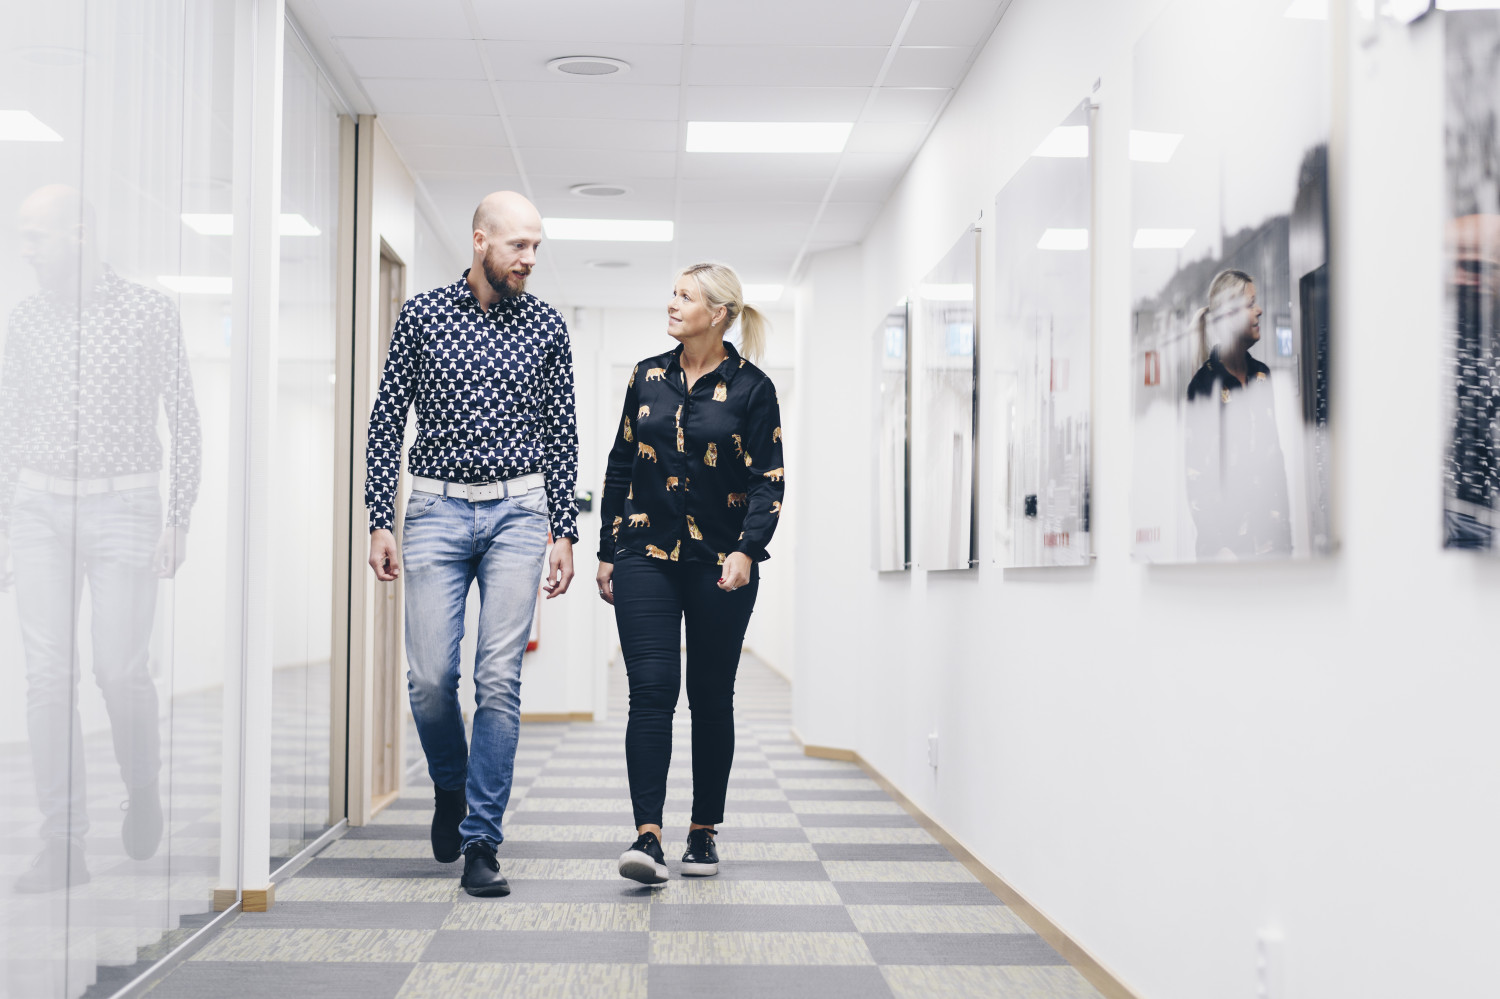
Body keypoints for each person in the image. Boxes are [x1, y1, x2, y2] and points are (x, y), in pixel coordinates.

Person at [365, 191, 579, 898]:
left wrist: (564, 529)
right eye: (519, 245)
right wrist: (379, 517)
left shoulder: (546, 325)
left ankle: (483, 837)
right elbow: (388, 414)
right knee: (429, 679)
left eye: (537, 247)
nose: (530, 259)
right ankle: (451, 788)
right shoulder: (423, 315)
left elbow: (562, 433)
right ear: (481, 240)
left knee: (499, 681)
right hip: (434, 509)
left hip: (519, 512)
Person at [0, 185, 201, 892]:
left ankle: (141, 783)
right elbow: (8, 427)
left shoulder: (149, 311)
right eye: (22, 236)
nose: (25, 250)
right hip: (38, 510)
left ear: (80, 234)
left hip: (125, 508)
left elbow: (184, 418)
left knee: (119, 672)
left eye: (36, 235)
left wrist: (178, 518)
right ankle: (62, 843)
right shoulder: (24, 321)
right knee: (47, 677)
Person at [596, 262, 785, 884]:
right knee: (650, 691)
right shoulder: (647, 376)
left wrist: (748, 549)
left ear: (719, 313)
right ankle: (647, 835)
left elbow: (768, 480)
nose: (672, 304)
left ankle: (703, 831)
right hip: (644, 553)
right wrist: (605, 549)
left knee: (710, 696)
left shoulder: (754, 389)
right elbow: (621, 463)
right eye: (671, 292)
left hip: (719, 563)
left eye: (685, 296)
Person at [1184, 268, 1292, 560]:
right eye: (1250, 304)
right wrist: (1218, 547)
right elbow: (1196, 476)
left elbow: (1274, 461)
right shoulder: (1204, 385)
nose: (1259, 311)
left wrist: (1285, 534)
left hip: (1270, 546)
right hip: (1226, 552)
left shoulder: (1262, 376)